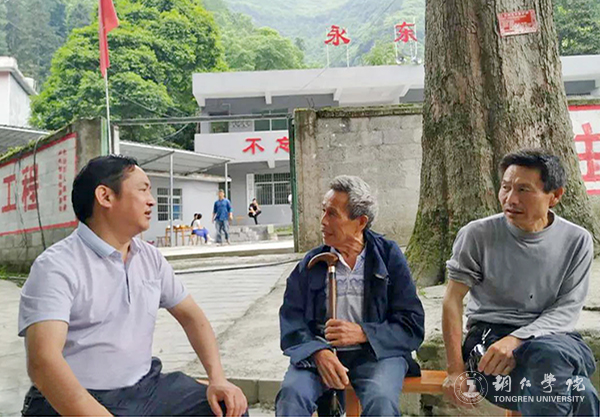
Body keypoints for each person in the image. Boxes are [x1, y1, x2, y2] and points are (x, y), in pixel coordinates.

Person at [18, 155, 247, 416]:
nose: (152, 200)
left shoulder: (150, 258)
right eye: (142, 189)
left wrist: (217, 378)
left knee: (228, 407)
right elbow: (43, 362)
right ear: (105, 196)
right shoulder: (56, 266)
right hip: (73, 398)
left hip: (144, 389)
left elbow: (192, 317)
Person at [442, 149, 599, 416]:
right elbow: (452, 300)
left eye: (523, 190)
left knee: (548, 355)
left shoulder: (577, 240)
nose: (510, 199)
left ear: (555, 196)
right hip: (491, 341)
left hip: (554, 338)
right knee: (580, 391)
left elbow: (566, 310)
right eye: (506, 187)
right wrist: (455, 370)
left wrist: (517, 339)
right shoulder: (477, 235)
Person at [276, 175, 425, 417]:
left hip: (377, 355)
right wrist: (318, 351)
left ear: (360, 222)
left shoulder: (388, 257)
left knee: (381, 401)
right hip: (321, 355)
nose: (323, 221)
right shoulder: (312, 262)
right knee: (292, 396)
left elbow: (412, 324)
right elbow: (291, 320)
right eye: (323, 211)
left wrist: (363, 333)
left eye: (332, 214)